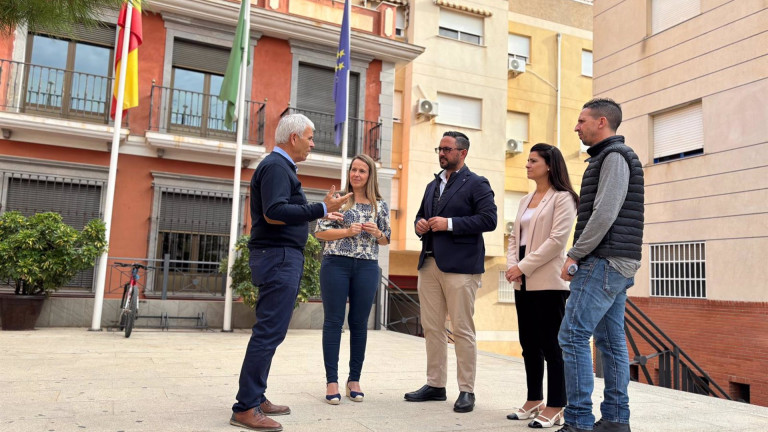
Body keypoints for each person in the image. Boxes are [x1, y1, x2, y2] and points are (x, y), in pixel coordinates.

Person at [230, 114, 352, 432]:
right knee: (269, 331)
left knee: (272, 331)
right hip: (278, 257)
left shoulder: (281, 168)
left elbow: (284, 208)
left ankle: (255, 397)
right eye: (310, 138)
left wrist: (321, 207)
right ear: (294, 137)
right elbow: (274, 213)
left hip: (281, 257)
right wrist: (321, 208)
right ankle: (245, 407)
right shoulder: (275, 167)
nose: (313, 143)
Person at [556, 98, 644, 432]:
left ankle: (578, 421)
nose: (577, 126)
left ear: (601, 122)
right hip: (615, 262)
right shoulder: (608, 158)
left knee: (573, 336)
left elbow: (604, 213)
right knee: (609, 342)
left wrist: (575, 253)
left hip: (603, 261)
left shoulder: (614, 157)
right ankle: (616, 419)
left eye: (581, 121)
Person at [404, 131, 497, 413]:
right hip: (429, 263)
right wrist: (420, 224)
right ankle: (435, 385)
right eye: (439, 149)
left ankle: (467, 390)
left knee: (462, 329)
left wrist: (450, 224)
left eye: (447, 149)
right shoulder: (433, 184)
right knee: (432, 327)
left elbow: (489, 219)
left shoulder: (477, 183)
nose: (442, 153)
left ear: (462, 152)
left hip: (461, 266)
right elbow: (421, 215)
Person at [505, 143, 578, 429]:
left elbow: (557, 242)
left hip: (548, 282)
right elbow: (514, 237)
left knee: (552, 346)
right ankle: (534, 399)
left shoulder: (563, 198)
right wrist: (514, 267)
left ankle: (557, 404)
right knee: (528, 344)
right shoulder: (525, 200)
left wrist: (521, 266)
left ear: (548, 165)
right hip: (522, 282)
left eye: (533, 160)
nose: (527, 164)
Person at [315, 154, 391, 405]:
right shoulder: (338, 201)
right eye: (353, 170)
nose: (356, 174)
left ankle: (354, 380)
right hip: (336, 263)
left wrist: (377, 232)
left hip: (367, 266)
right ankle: (332, 381)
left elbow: (386, 239)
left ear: (370, 176)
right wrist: (347, 231)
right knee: (333, 322)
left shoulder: (379, 205)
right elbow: (320, 233)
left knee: (359, 323)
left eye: (362, 171)